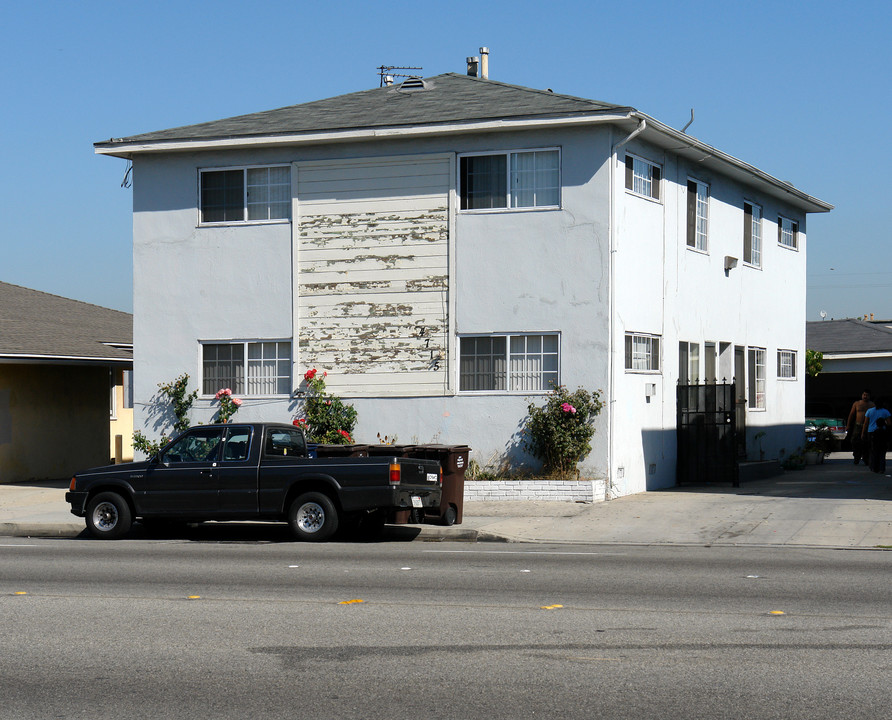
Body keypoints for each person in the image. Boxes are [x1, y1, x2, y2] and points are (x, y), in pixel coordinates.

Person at [862, 397, 891, 474]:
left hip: (871, 432)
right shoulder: (885, 412)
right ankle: (881, 468)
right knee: (882, 452)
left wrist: (863, 433)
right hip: (882, 432)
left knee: (873, 451)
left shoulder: (869, 411)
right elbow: (889, 423)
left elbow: (865, 423)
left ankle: (873, 467)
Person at [846, 390, 875, 465]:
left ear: (870, 396)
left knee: (867, 442)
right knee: (855, 441)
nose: (865, 396)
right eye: (864, 394)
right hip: (858, 425)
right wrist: (848, 425)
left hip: (868, 426)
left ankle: (866, 458)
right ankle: (857, 456)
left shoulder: (872, 404)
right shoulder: (857, 403)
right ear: (862, 395)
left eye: (867, 395)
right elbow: (851, 415)